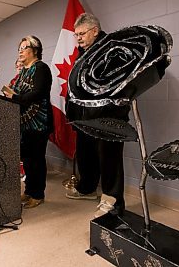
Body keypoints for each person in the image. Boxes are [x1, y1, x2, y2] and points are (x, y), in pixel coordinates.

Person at [65, 13, 130, 217]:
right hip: (85, 117)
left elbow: (118, 84)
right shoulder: (82, 53)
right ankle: (87, 188)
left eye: (82, 34)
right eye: (76, 35)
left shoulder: (111, 49)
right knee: (86, 155)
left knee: (109, 159)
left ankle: (114, 202)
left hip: (107, 116)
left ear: (95, 31)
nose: (79, 38)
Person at [3, 35, 53, 209]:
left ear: (35, 50)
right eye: (19, 49)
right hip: (24, 124)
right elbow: (17, 92)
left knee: (37, 160)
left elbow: (37, 93)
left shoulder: (41, 68)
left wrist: (15, 97)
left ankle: (38, 194)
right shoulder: (23, 71)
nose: (20, 51)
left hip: (39, 123)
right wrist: (9, 94)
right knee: (28, 160)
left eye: (24, 48)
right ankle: (30, 190)